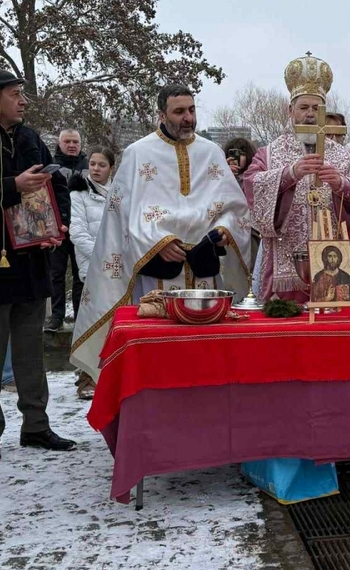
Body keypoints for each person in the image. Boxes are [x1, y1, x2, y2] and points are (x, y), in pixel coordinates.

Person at [72, 85, 252, 378]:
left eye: (191, 110)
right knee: (160, 344)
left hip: (204, 266)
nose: (188, 118)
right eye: (179, 112)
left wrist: (223, 229)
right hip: (157, 267)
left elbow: (235, 209)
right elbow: (121, 215)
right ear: (161, 114)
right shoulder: (137, 153)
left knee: (206, 345)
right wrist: (157, 241)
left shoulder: (211, 152)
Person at [0, 70, 76, 465]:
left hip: (32, 263)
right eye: (15, 94)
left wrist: (59, 224)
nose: (23, 101)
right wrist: (13, 186)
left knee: (31, 353)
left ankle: (36, 425)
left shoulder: (31, 140)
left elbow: (56, 185)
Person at [242, 54, 350, 304]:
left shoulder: (343, 155)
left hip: (332, 261)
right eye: (304, 108)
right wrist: (288, 174)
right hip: (283, 266)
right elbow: (252, 183)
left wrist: (341, 184)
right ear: (290, 111)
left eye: (316, 108)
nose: (310, 115)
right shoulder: (270, 153)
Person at [68, 148, 114, 400]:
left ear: (111, 168)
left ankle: (110, 373)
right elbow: (77, 233)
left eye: (102, 165)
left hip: (118, 269)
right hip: (91, 268)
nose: (96, 169)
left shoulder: (120, 194)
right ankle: (86, 376)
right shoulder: (79, 193)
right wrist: (102, 256)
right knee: (89, 322)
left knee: (113, 321)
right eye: (92, 164)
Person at [46, 129, 88, 332]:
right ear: (59, 143)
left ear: (81, 144)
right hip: (57, 228)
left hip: (82, 229)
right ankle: (56, 316)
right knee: (56, 274)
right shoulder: (51, 166)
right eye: (67, 141)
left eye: (75, 142)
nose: (72, 145)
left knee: (81, 274)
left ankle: (81, 315)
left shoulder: (89, 166)